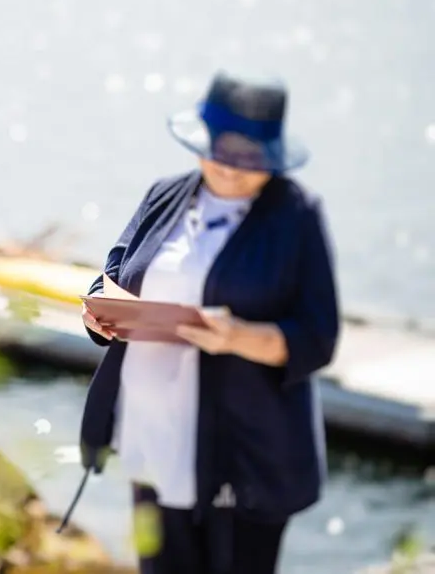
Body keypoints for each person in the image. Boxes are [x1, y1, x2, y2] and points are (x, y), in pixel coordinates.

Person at [69, 71, 340, 574]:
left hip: (245, 452)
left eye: (250, 162)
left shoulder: (297, 216)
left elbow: (318, 338)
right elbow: (112, 273)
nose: (233, 172)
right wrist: (98, 314)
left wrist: (239, 338)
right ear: (202, 141)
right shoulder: (164, 194)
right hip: (152, 435)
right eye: (223, 155)